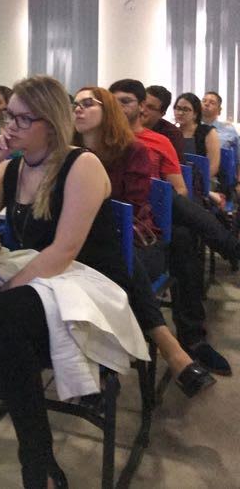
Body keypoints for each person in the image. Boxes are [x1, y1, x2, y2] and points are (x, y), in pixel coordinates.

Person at [0, 75, 141, 489]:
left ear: (51, 122)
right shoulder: (12, 167)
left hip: (85, 282)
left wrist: (2, 294)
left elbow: (64, 251)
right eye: (9, 116)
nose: (11, 126)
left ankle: (37, 461)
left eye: (23, 119)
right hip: (39, 274)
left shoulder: (82, 165)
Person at [72, 86, 215, 397]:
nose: (78, 109)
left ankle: (100, 372)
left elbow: (131, 210)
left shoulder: (136, 148)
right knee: (103, 260)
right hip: (83, 245)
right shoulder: (67, 152)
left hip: (129, 240)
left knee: (114, 258)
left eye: (88, 103)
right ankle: (168, 346)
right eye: (75, 104)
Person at [109, 78, 233, 375]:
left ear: (142, 108)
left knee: (182, 233)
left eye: (126, 102)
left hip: (153, 217)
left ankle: (192, 337)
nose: (118, 108)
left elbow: (179, 189)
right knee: (184, 236)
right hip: (115, 219)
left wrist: (154, 200)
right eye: (112, 102)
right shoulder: (101, 140)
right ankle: (231, 247)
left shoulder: (162, 139)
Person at [174, 93, 221, 182]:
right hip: (177, 179)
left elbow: (213, 167)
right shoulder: (172, 132)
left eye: (186, 109)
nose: (180, 113)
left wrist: (196, 184)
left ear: (195, 114)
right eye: (178, 108)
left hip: (204, 182)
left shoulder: (208, 132)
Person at [143, 85, 185, 157]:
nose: (142, 109)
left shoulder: (172, 134)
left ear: (162, 114)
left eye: (150, 107)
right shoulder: (128, 125)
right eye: (142, 104)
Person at [201, 91, 238, 161]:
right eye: (204, 101)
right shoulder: (191, 128)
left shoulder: (229, 130)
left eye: (212, 103)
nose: (206, 104)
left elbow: (238, 159)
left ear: (219, 110)